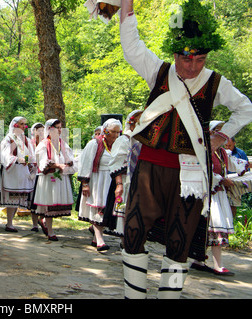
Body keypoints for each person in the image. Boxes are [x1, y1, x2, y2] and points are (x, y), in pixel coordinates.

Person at [118, 0, 252, 299]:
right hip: (149, 169)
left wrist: (221, 136)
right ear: (175, 53)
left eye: (200, 60)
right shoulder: (159, 71)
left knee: (180, 241)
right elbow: (131, 46)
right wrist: (127, 6)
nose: (192, 66)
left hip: (190, 176)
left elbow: (246, 109)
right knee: (133, 233)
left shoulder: (216, 82)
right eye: (186, 59)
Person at [191, 121, 249, 276]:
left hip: (218, 194)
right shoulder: (205, 150)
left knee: (211, 227)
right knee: (215, 226)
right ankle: (217, 265)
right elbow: (204, 171)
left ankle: (199, 260)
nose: (223, 135)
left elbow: (237, 164)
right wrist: (221, 180)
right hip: (209, 193)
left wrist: (248, 165)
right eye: (218, 131)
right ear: (210, 133)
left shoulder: (222, 152)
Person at [77, 118, 122, 251]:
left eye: (118, 132)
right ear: (105, 130)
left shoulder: (118, 144)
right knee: (98, 208)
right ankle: (100, 240)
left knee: (106, 208)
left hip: (111, 180)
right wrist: (85, 183)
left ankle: (96, 238)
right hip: (97, 179)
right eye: (113, 131)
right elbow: (86, 162)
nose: (115, 135)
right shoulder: (95, 143)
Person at [33, 119, 76, 241]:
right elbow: (43, 163)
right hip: (49, 178)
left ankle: (46, 223)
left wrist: (69, 162)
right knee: (49, 204)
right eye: (56, 127)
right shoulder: (43, 144)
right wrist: (57, 166)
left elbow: (68, 156)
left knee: (54, 203)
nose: (59, 130)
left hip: (60, 177)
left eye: (60, 127)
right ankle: (50, 231)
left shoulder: (62, 143)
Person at [104, 110, 143, 239]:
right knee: (124, 210)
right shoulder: (123, 140)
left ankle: (131, 239)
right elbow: (116, 163)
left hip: (138, 181)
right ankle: (124, 240)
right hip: (125, 181)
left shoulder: (140, 140)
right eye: (137, 121)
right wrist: (119, 184)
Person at [0, 116, 36, 232]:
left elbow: (29, 153)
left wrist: (26, 159)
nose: (24, 127)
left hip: (22, 171)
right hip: (13, 171)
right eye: (21, 124)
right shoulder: (9, 139)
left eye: (24, 124)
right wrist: (17, 159)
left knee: (17, 198)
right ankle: (9, 223)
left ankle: (10, 222)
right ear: (15, 125)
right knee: (12, 197)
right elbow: (5, 155)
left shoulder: (25, 139)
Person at [27, 122, 44, 232]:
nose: (41, 133)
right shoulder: (29, 143)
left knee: (42, 198)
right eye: (38, 130)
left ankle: (42, 220)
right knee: (33, 199)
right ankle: (34, 224)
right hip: (33, 173)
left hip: (43, 173)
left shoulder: (46, 143)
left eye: (42, 130)